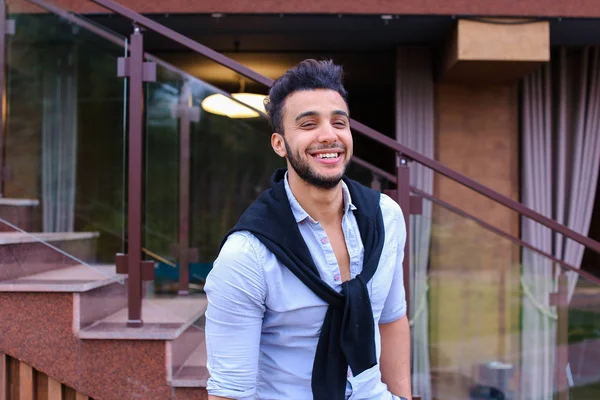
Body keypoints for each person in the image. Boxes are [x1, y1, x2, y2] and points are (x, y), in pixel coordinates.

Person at [204, 59, 412, 400]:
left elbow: (391, 320)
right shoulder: (248, 256)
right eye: (308, 124)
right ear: (279, 144)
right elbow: (230, 393)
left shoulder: (386, 217)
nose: (328, 135)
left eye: (339, 122)